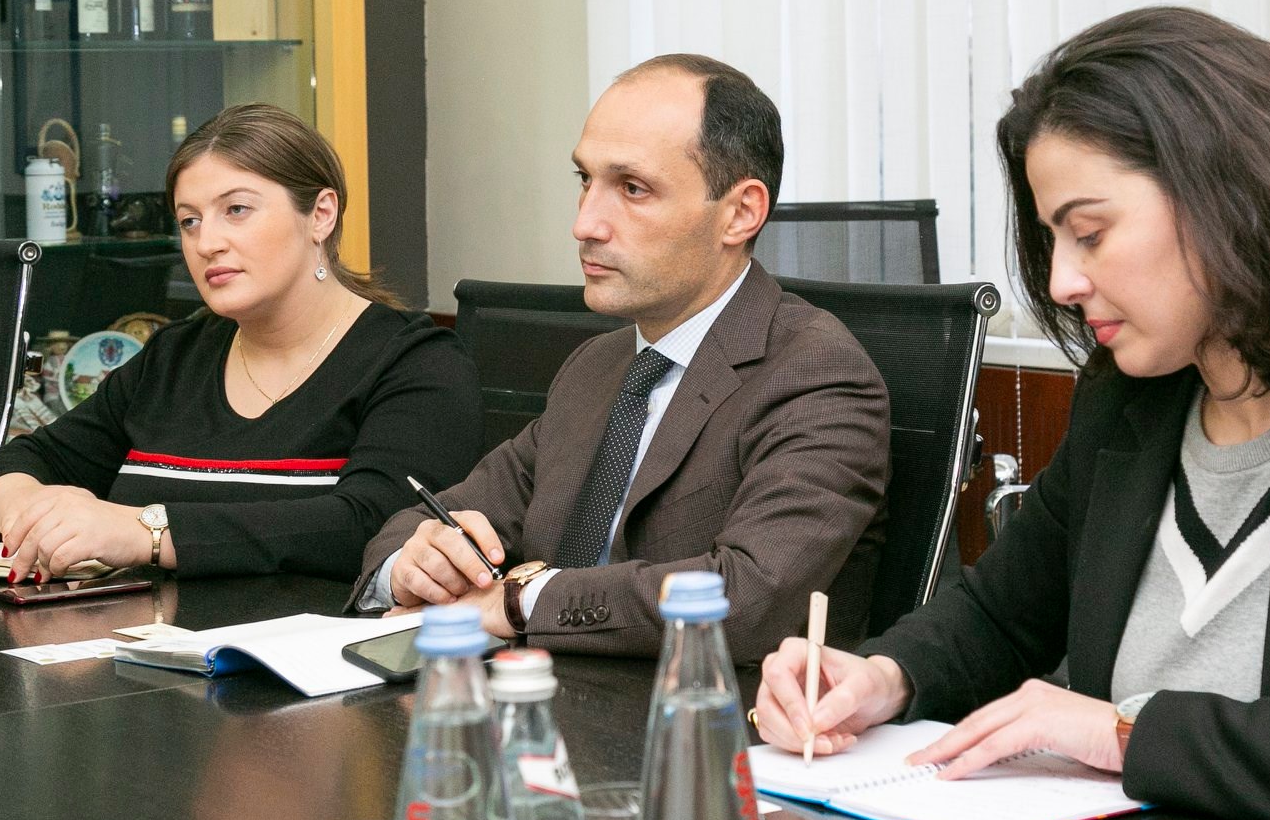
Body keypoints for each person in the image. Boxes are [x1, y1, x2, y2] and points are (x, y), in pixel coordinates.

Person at [754, 6, 1270, 820]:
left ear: (1228, 199)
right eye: (1052, 240)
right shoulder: (1127, 404)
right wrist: (878, 678)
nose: (1062, 282)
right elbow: (1000, 616)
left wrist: (1122, 734)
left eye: (1090, 233)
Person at [352, 54, 890, 659]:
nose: (585, 224)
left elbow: (744, 598)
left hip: (709, 710)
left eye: (633, 189)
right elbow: (434, 518)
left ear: (740, 213)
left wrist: (518, 602)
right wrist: (413, 564)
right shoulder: (598, 365)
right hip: (540, 695)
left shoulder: (817, 376)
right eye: (585, 180)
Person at [0, 104, 484, 583]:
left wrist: (147, 533)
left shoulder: (418, 362)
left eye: (236, 209)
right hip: (141, 639)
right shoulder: (173, 357)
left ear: (321, 214)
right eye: (189, 221)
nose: (206, 243)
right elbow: (22, 461)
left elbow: (378, 526)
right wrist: (25, 511)